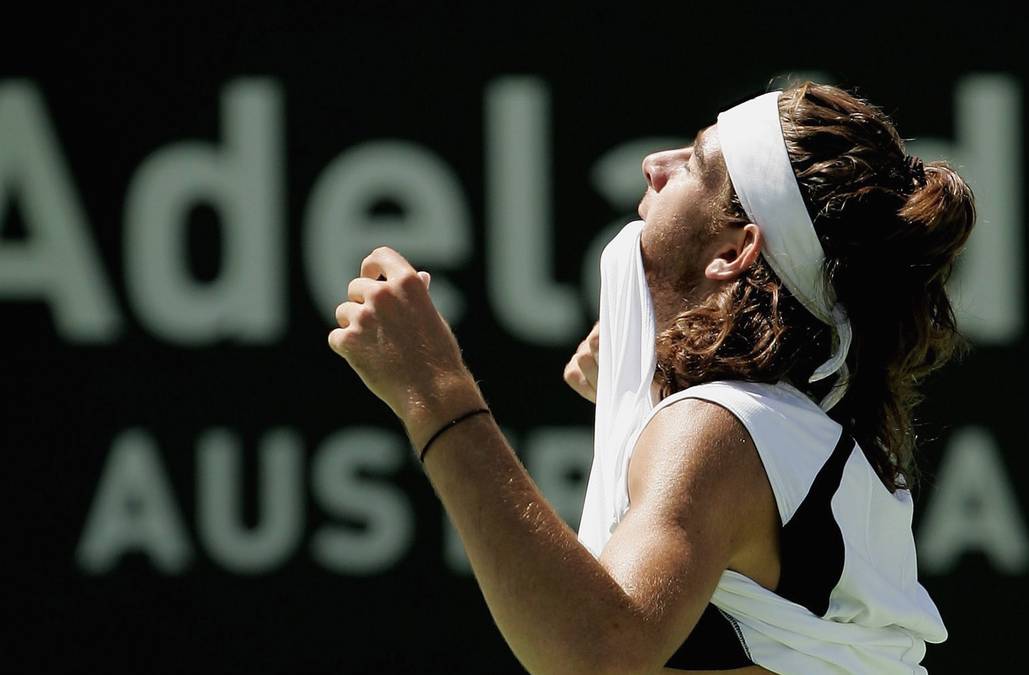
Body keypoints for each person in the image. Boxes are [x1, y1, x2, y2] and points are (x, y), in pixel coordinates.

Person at [328, 81, 975, 674]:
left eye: (693, 165)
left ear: (734, 251)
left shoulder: (718, 429)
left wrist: (435, 391)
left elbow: (599, 651)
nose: (654, 167)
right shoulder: (794, 433)